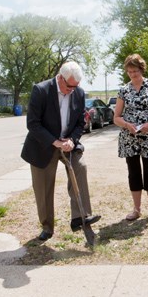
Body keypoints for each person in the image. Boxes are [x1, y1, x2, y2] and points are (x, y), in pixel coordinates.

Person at [21, 61, 101, 241]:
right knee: (43, 188)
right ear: (60, 78)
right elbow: (33, 124)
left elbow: (81, 122)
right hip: (43, 145)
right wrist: (54, 142)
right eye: (69, 86)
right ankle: (47, 227)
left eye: (76, 87)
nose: (72, 90)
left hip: (68, 144)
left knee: (80, 167)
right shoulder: (41, 90)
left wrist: (72, 140)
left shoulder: (78, 93)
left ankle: (80, 218)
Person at [113, 54, 148, 222]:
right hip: (129, 139)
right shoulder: (123, 90)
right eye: (129, 72)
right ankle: (136, 209)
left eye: (135, 71)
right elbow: (116, 117)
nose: (132, 74)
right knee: (133, 173)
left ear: (141, 69)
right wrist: (127, 125)